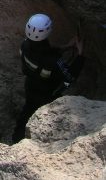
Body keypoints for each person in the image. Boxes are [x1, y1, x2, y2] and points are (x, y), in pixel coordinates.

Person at [12, 13, 84, 143]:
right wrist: (80, 54)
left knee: (27, 111)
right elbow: (70, 76)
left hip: (30, 85)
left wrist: (67, 46)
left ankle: (16, 139)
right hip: (46, 94)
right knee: (43, 116)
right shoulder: (54, 62)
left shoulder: (25, 45)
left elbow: (44, 52)